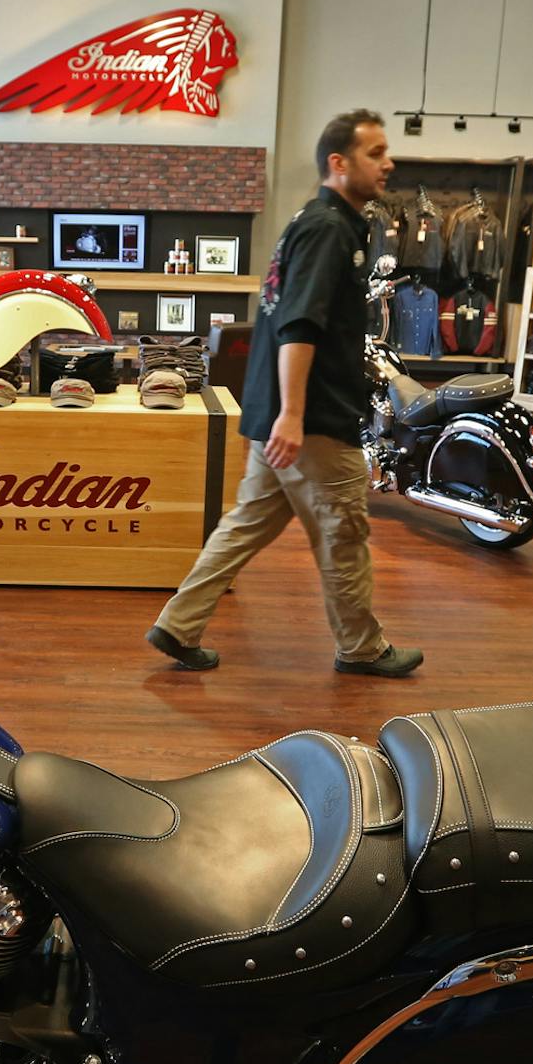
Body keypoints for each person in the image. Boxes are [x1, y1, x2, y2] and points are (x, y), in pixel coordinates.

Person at [146, 109, 423, 678]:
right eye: (376, 153)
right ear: (338, 163)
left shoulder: (323, 222)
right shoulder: (328, 229)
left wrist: (281, 414)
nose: (388, 163)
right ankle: (362, 648)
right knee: (345, 533)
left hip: (280, 414)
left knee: (247, 522)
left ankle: (179, 624)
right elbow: (299, 326)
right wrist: (294, 417)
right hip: (312, 421)